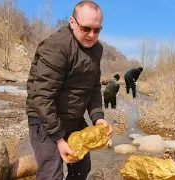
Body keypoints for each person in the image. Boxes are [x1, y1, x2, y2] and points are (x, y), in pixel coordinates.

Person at [25, 1, 113, 180]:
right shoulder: (56, 47)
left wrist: (98, 117)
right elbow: (41, 97)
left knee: (82, 167)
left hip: (72, 118)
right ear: (72, 22)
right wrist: (59, 139)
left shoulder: (97, 50)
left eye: (97, 30)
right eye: (86, 28)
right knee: (51, 174)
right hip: (44, 118)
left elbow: (94, 87)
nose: (91, 35)